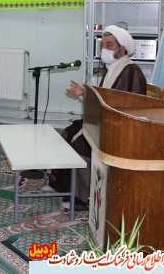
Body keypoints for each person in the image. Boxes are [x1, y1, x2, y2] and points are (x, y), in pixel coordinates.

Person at [51, 24, 147, 207]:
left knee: (80, 144)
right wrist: (83, 93)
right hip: (105, 123)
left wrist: (87, 97)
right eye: (102, 45)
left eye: (109, 45)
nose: (104, 49)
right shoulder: (111, 69)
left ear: (123, 50)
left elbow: (130, 109)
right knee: (69, 132)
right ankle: (64, 187)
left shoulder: (131, 72)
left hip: (119, 131)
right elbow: (103, 101)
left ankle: (82, 198)